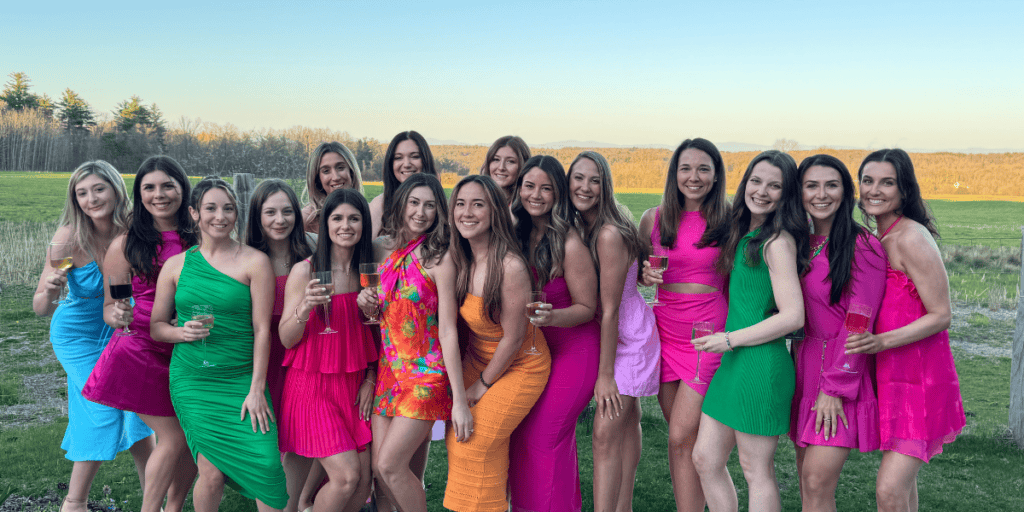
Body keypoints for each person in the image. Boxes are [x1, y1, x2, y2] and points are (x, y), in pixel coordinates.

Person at [151, 178, 287, 512]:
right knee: (210, 473)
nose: (220, 216)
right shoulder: (176, 265)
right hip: (193, 380)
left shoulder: (255, 262)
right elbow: (156, 326)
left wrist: (257, 389)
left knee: (268, 466)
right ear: (195, 213)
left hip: (242, 378)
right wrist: (180, 333)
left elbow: (262, 331)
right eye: (210, 208)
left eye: (228, 208)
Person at [846, 149, 965, 512]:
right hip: (891, 379)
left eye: (887, 182)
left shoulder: (911, 237)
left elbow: (941, 314)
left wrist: (879, 341)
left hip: (921, 381)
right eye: (868, 181)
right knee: (904, 491)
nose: (874, 190)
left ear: (904, 190)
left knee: (890, 491)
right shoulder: (878, 238)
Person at [32, 161, 154, 512]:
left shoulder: (136, 232)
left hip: (125, 329)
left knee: (139, 412)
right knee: (103, 406)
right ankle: (74, 503)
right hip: (78, 336)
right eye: (81, 193)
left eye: (98, 189)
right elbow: (41, 306)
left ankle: (153, 503)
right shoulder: (69, 239)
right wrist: (53, 290)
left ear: (116, 189)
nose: (90, 199)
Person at [691, 150, 809, 512]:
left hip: (760, 364)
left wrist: (729, 339)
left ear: (785, 195)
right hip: (736, 362)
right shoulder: (748, 233)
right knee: (705, 459)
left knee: (755, 469)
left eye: (775, 186)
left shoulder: (777, 242)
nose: (762, 191)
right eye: (756, 181)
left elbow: (793, 317)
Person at [83, 155, 199, 512]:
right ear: (139, 194)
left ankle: (173, 508)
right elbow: (108, 307)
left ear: (183, 188)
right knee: (174, 436)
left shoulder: (201, 235)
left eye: (168, 185)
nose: (159, 194)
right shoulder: (126, 243)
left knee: (193, 437)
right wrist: (115, 313)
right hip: (141, 349)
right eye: (149, 187)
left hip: (188, 348)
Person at [356, 173, 471, 512]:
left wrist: (460, 401)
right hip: (390, 375)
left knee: (389, 466)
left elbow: (448, 330)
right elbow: (384, 316)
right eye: (414, 203)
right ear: (402, 204)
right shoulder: (382, 252)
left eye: (430, 205)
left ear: (440, 212)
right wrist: (367, 301)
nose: (421, 212)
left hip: (425, 376)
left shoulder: (439, 258)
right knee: (380, 476)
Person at [443, 175, 551, 512]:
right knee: (459, 440)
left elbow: (515, 337)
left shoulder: (509, 266)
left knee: (473, 442)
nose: (467, 212)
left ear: (494, 213)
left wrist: (480, 386)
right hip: (478, 357)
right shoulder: (460, 258)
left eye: (478, 204)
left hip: (519, 364)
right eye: (460, 204)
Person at [638, 138, 729, 512]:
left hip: (705, 333)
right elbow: (641, 276)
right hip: (665, 328)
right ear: (674, 174)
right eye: (686, 168)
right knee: (681, 442)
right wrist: (645, 275)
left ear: (715, 175)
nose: (694, 177)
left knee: (681, 432)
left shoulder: (728, 219)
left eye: (703, 168)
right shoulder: (653, 218)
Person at [791, 154, 886, 511]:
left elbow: (859, 320)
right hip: (803, 366)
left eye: (831, 185)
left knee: (817, 483)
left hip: (840, 372)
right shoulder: (800, 242)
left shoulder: (863, 246)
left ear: (846, 192)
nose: (821, 194)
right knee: (806, 481)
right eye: (811, 186)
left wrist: (835, 387)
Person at [567, 151, 659, 512]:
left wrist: (605, 376)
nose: (585, 187)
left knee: (604, 435)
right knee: (627, 419)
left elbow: (610, 309)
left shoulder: (606, 232)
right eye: (578, 178)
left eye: (595, 180)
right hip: (616, 330)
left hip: (629, 337)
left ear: (606, 185)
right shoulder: (585, 225)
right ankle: (624, 507)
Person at [507, 155, 599, 512]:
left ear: (558, 193)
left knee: (544, 438)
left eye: (546, 188)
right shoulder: (516, 233)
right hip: (533, 354)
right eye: (529, 186)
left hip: (575, 351)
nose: (536, 195)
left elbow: (587, 308)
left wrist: (551, 317)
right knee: (524, 438)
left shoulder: (570, 243)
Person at [278, 188, 378, 512]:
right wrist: (305, 306)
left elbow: (375, 336)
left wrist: (370, 378)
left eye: (354, 218)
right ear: (325, 225)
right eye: (337, 218)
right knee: (347, 477)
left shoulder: (367, 275)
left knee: (363, 482)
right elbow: (285, 338)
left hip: (352, 386)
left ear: (364, 225)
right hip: (311, 386)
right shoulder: (305, 272)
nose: (345, 225)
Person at [244, 179, 314, 415]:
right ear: (257, 217)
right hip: (258, 362)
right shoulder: (244, 262)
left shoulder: (310, 259)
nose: (280, 220)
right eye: (270, 213)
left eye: (287, 212)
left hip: (302, 358)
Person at [368, 131, 437, 239]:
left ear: (425, 160)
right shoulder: (380, 205)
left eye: (414, 156)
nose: (407, 164)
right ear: (390, 164)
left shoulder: (439, 204)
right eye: (398, 158)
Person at [301, 142, 365, 234]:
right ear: (317, 179)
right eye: (326, 171)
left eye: (340, 168)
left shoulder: (370, 213)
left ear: (351, 171)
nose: (336, 177)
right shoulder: (307, 220)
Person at [479, 135, 531, 202]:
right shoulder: (476, 199)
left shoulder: (528, 207)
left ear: (523, 165)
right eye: (496, 159)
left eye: (510, 161)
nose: (501, 168)